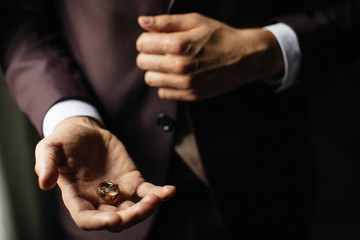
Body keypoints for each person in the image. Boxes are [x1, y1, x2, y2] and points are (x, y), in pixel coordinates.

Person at [0, 0, 359, 239]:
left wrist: (269, 51)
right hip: (103, 190)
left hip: (266, 180)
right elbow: (19, 17)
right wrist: (70, 115)